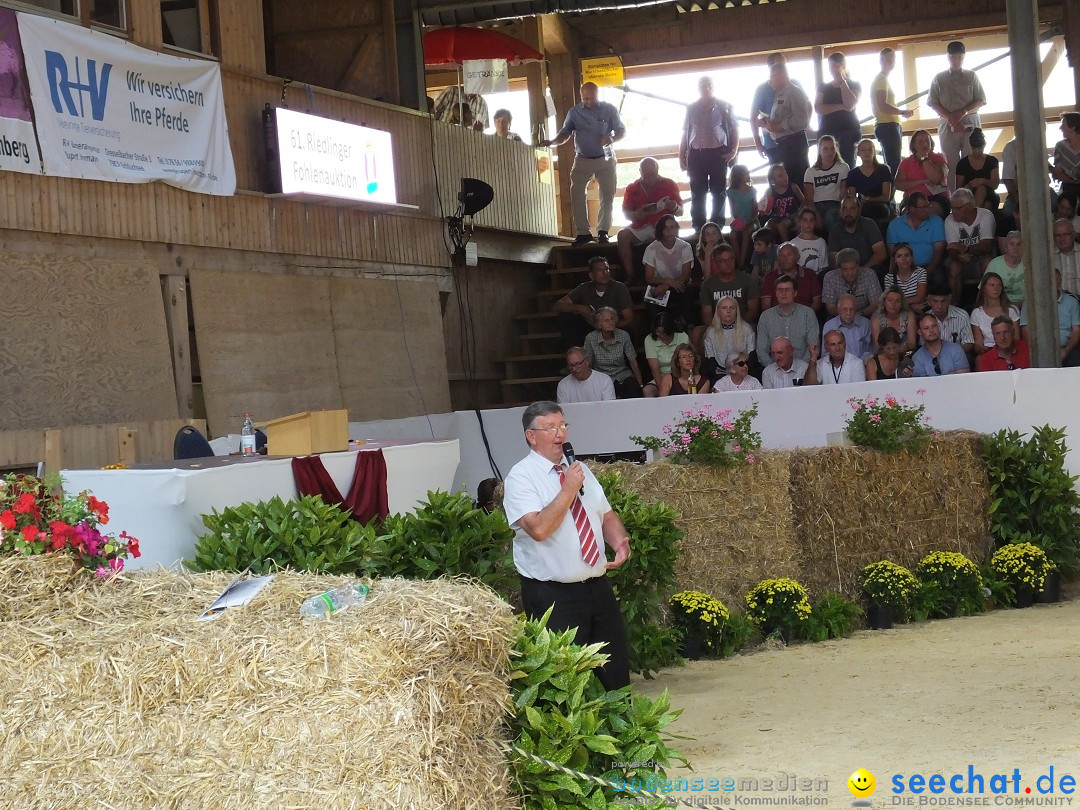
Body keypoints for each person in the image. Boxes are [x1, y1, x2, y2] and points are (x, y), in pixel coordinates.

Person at [502, 401, 631, 691]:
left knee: (615, 669)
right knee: (565, 681)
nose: (560, 434)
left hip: (597, 586)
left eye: (563, 426)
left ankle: (625, 732)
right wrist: (568, 489)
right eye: (551, 428)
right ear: (531, 436)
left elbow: (605, 513)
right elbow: (539, 528)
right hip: (553, 594)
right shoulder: (521, 477)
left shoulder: (579, 468)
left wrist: (619, 540)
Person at [541, 82, 626, 246]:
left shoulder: (609, 110)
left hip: (605, 157)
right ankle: (582, 232)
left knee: (607, 195)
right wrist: (553, 142)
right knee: (576, 193)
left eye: (591, 98)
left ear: (597, 94)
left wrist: (612, 138)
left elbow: (622, 131)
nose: (588, 101)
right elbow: (565, 133)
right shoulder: (574, 112)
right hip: (582, 158)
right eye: (584, 98)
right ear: (581, 96)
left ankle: (603, 232)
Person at [680, 75, 739, 231]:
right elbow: (685, 132)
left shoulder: (725, 107)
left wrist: (733, 151)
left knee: (718, 191)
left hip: (718, 153)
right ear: (698, 89)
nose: (706, 89)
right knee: (697, 191)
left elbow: (735, 130)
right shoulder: (691, 108)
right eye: (702, 86)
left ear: (713, 87)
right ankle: (698, 226)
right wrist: (681, 156)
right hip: (696, 154)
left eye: (709, 86)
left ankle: (717, 224)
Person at [927, 41, 986, 190]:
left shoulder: (972, 76)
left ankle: (972, 196)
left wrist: (963, 112)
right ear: (948, 57)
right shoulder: (939, 78)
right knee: (950, 163)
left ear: (964, 57)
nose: (956, 60)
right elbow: (933, 102)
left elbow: (981, 100)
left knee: (971, 160)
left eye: (960, 57)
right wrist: (951, 118)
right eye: (953, 57)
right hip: (947, 122)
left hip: (970, 121)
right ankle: (953, 198)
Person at [618, 157, 683, 283]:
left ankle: (670, 275)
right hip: (640, 226)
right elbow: (626, 214)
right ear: (640, 172)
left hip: (663, 226)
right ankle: (630, 275)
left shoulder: (669, 184)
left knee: (668, 232)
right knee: (623, 235)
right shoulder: (632, 188)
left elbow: (680, 212)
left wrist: (673, 206)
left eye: (652, 173)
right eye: (646, 174)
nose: (649, 177)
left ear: (658, 170)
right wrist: (636, 215)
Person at [756, 57, 813, 193]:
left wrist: (778, 126)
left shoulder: (794, 91)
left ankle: (802, 211)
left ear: (780, 76)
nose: (770, 81)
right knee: (785, 182)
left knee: (796, 180)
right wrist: (766, 122)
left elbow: (802, 120)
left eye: (772, 77)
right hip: (783, 144)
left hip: (794, 143)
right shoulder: (780, 93)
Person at [554, 256, 634, 348]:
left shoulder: (619, 288)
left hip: (613, 328)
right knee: (565, 317)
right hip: (590, 328)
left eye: (606, 269)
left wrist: (608, 327)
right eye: (599, 270)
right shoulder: (584, 288)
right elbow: (558, 305)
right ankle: (577, 355)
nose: (605, 273)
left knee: (628, 333)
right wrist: (579, 308)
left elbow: (629, 318)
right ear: (591, 275)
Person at [944, 187, 996, 301]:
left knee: (988, 263)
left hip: (981, 258)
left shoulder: (986, 216)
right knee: (954, 267)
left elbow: (986, 246)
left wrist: (966, 249)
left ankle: (987, 304)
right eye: (952, 208)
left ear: (969, 206)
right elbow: (951, 249)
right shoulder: (949, 220)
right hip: (961, 259)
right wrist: (958, 256)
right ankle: (953, 307)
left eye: (957, 208)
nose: (954, 212)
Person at [1019, 268, 1080, 366]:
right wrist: (1042, 351)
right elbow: (1026, 332)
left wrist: (1066, 350)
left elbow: (1076, 331)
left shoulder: (1072, 302)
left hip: (1068, 349)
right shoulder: (1029, 304)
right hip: (1039, 351)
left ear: (1059, 282)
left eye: (1054, 281)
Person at [886, 192, 946, 287]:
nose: (928, 210)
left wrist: (927, 272)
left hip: (930, 265)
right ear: (912, 209)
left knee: (939, 278)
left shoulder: (936, 221)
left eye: (928, 205)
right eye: (923, 207)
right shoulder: (895, 225)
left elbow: (939, 251)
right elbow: (893, 254)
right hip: (904, 267)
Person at [871, 47, 914, 181]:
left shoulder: (883, 79)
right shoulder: (881, 79)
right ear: (881, 61)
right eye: (888, 59)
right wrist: (902, 112)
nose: (891, 62)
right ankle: (888, 199)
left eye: (893, 59)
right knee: (893, 166)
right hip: (887, 125)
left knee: (892, 164)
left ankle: (888, 198)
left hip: (888, 125)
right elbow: (882, 105)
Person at [756, 275, 820, 362]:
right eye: (780, 290)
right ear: (775, 293)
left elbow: (813, 346)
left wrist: (802, 368)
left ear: (795, 293)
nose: (783, 293)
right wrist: (772, 369)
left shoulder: (808, 314)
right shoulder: (765, 316)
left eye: (787, 290)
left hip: (803, 368)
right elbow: (761, 350)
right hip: (773, 368)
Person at [583, 307, 644, 399]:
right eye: (606, 320)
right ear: (599, 324)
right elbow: (588, 364)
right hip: (601, 377)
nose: (610, 322)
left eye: (612, 319)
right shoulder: (590, 338)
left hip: (622, 375)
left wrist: (640, 385)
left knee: (633, 388)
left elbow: (633, 362)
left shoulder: (623, 335)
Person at [642, 214, 694, 321]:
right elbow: (649, 277)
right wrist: (668, 282)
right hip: (660, 286)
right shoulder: (651, 249)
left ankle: (687, 326)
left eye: (672, 227)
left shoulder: (685, 247)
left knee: (686, 290)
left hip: (680, 285)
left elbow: (686, 275)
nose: (669, 230)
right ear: (660, 230)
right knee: (650, 293)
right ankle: (656, 328)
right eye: (666, 227)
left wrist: (668, 285)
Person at [815, 52, 862, 167]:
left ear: (843, 65)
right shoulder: (823, 87)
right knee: (827, 166)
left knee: (848, 166)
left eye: (835, 66)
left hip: (848, 132)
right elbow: (818, 108)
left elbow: (850, 104)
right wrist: (842, 106)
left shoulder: (854, 84)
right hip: (827, 132)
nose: (832, 69)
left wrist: (841, 81)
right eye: (830, 66)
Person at [698, 243, 760, 326]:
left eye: (731, 259)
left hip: (742, 325)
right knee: (697, 332)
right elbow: (706, 314)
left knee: (753, 328)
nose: (727, 263)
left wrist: (736, 325)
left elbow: (753, 310)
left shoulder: (747, 280)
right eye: (722, 261)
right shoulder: (708, 284)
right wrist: (717, 328)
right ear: (716, 263)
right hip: (717, 326)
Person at [894, 130, 950, 215]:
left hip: (936, 198)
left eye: (927, 141)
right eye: (920, 142)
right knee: (909, 213)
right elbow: (898, 185)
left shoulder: (939, 157)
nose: (925, 144)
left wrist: (925, 158)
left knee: (930, 212)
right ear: (914, 145)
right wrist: (921, 181)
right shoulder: (906, 162)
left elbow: (937, 179)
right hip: (912, 199)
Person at [703, 295, 756, 382]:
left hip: (743, 373)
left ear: (737, 311)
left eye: (732, 308)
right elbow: (710, 362)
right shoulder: (711, 333)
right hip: (720, 374)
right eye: (724, 308)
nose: (728, 311)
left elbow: (752, 357)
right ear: (718, 311)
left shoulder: (747, 329)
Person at [828, 195, 888, 272]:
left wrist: (861, 271)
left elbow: (881, 254)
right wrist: (848, 272)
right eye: (844, 209)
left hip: (868, 269)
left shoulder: (869, 224)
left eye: (852, 208)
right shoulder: (835, 229)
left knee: (880, 270)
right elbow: (833, 258)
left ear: (859, 210)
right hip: (844, 272)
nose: (848, 213)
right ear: (840, 212)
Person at [803, 135, 848, 231]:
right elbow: (809, 198)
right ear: (819, 151)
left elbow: (843, 193)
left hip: (835, 204)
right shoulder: (810, 171)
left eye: (832, 148)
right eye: (825, 149)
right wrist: (815, 214)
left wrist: (843, 209)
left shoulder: (843, 167)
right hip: (816, 205)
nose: (830, 152)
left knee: (830, 216)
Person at [821, 248, 883, 317]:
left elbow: (875, 304)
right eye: (845, 269)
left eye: (853, 268)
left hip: (865, 316)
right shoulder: (830, 277)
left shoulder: (870, 274)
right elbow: (831, 308)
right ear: (839, 268)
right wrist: (846, 316)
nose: (850, 273)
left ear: (858, 265)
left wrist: (859, 314)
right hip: (838, 316)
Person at [845, 138, 895, 225]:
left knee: (871, 210)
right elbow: (852, 197)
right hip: (862, 206)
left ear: (874, 152)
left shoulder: (883, 169)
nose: (866, 152)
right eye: (863, 150)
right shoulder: (853, 173)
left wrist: (870, 199)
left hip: (881, 205)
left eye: (869, 149)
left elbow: (886, 196)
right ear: (858, 153)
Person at [760, 242, 821, 311]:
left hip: (805, 317)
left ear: (797, 257)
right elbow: (766, 305)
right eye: (781, 255)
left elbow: (817, 302)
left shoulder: (810, 274)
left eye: (789, 255)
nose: (785, 259)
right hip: (777, 318)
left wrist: (806, 317)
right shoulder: (770, 277)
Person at [970, 271, 1020, 355]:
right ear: (984, 289)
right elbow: (978, 343)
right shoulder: (977, 313)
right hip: (988, 351)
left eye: (999, 285)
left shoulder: (1012, 310)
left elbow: (1016, 338)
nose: (996, 288)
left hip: (1009, 350)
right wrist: (982, 349)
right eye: (992, 285)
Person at [643, 312, 690, 397]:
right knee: (648, 391)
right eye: (658, 332)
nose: (661, 335)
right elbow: (655, 370)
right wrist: (663, 388)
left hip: (681, 376)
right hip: (661, 377)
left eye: (665, 332)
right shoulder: (649, 340)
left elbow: (687, 361)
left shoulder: (682, 336)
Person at [912, 311, 969, 376]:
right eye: (926, 328)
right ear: (920, 332)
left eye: (934, 326)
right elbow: (922, 384)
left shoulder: (956, 349)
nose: (931, 330)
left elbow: (964, 378)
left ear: (939, 327)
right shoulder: (917, 357)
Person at [954, 128, 999, 210]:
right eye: (974, 148)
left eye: (980, 148)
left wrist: (982, 181)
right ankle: (975, 212)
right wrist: (967, 187)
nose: (977, 151)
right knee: (970, 192)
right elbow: (959, 189)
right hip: (969, 194)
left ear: (984, 146)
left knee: (982, 190)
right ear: (970, 146)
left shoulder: (992, 161)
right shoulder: (962, 163)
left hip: (989, 195)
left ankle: (975, 212)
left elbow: (995, 184)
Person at [758, 163, 804, 241]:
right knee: (767, 226)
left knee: (781, 226)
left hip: (791, 216)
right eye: (780, 176)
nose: (785, 177)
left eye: (785, 173)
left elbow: (804, 202)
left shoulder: (793, 187)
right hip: (775, 217)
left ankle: (786, 247)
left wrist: (798, 214)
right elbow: (766, 209)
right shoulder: (770, 191)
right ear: (773, 181)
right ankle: (770, 248)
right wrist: (762, 207)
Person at [925, 285, 975, 356]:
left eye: (943, 301)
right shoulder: (925, 318)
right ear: (929, 302)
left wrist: (952, 354)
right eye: (935, 301)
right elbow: (923, 345)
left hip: (957, 355)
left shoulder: (962, 315)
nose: (939, 306)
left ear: (949, 301)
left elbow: (969, 343)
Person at [822, 294, 873, 360]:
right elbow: (825, 354)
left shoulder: (866, 324)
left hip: (862, 364)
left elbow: (870, 351)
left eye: (851, 309)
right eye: (845, 309)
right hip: (837, 366)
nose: (848, 313)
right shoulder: (829, 326)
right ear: (839, 310)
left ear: (856, 310)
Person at [726, 165, 758, 269]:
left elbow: (755, 211)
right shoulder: (731, 192)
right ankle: (738, 260)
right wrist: (738, 222)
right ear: (738, 176)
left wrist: (749, 221)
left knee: (746, 232)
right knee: (732, 235)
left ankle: (742, 263)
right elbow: (733, 213)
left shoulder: (752, 191)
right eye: (746, 173)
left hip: (752, 221)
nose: (748, 175)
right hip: (739, 221)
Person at [871, 286, 918, 356]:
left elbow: (912, 343)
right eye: (890, 300)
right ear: (884, 302)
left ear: (901, 304)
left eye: (897, 301)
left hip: (906, 355)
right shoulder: (876, 318)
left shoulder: (909, 315)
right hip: (884, 357)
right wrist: (896, 350)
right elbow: (878, 346)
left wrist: (895, 350)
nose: (893, 304)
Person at [883, 242, 928, 312]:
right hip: (900, 312)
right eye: (899, 256)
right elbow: (892, 301)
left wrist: (900, 302)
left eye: (907, 255)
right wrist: (911, 306)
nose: (903, 259)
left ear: (912, 257)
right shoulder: (889, 278)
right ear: (894, 260)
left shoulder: (921, 272)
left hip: (919, 311)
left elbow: (920, 297)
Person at [985, 230, 1026, 307]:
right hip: (1002, 306)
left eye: (1018, 244)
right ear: (1006, 247)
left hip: (1026, 307)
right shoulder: (995, 264)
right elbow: (985, 291)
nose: (1015, 248)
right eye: (1011, 244)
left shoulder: (1029, 263)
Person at [787, 207, 830, 275]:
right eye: (805, 220)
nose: (808, 223)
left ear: (815, 222)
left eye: (811, 220)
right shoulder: (793, 243)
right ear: (800, 222)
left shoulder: (821, 242)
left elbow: (824, 266)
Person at [1053, 112, 1080, 206]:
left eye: (1063, 125)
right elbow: (1057, 171)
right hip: (1069, 186)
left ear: (1073, 127)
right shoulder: (1060, 147)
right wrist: (1070, 180)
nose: (1060, 128)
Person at [1053, 218, 1080, 294]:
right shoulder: (1049, 257)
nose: (1062, 239)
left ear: (1074, 235)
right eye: (1058, 235)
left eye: (1065, 234)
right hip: (1059, 303)